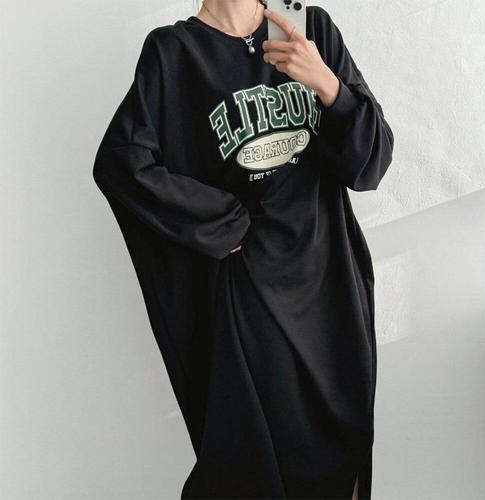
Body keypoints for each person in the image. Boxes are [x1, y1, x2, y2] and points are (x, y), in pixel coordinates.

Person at [92, 0, 394, 498]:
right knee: (267, 465)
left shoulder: (309, 28)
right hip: (254, 298)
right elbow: (122, 164)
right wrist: (224, 221)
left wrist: (328, 86)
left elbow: (371, 164)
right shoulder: (174, 52)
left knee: (348, 447)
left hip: (333, 285)